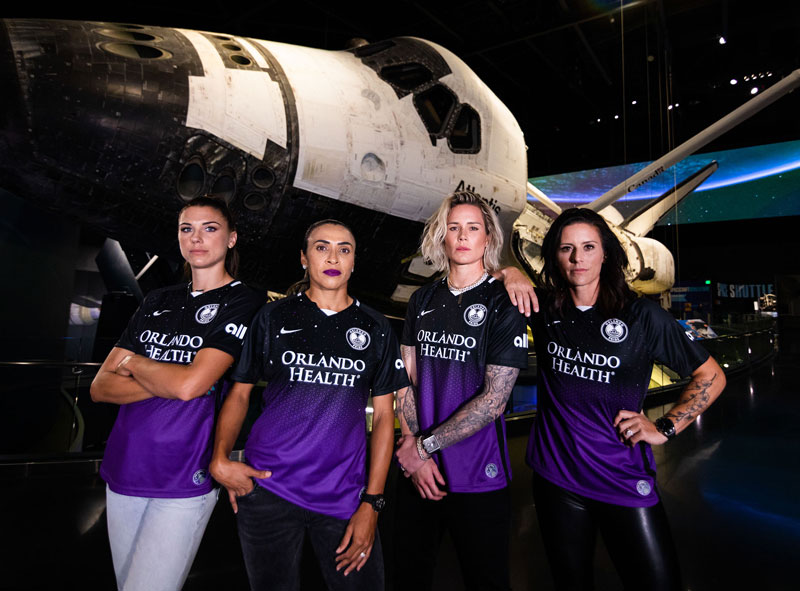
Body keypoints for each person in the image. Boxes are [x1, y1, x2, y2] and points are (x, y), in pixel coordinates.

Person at [525, 207, 726, 591]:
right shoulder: (544, 309)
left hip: (621, 476)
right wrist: (511, 274)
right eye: (566, 248)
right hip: (556, 479)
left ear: (606, 253)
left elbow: (712, 376)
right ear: (554, 256)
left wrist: (665, 427)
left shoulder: (642, 316)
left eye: (588, 247)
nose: (578, 258)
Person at [210, 219, 408, 591]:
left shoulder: (376, 327)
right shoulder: (273, 317)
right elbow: (239, 393)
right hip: (268, 488)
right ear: (304, 258)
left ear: (353, 262)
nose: (333, 258)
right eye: (321, 247)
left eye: (344, 250)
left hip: (344, 497)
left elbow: (385, 417)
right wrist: (220, 458)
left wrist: (372, 503)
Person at [90, 196, 263, 591]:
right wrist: (172, 378)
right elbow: (100, 387)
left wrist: (135, 363)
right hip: (124, 467)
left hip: (184, 475)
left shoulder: (243, 300)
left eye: (210, 228)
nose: (196, 238)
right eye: (187, 229)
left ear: (231, 239)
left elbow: (190, 387)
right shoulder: (158, 300)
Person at [393, 191, 529, 591]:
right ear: (442, 236)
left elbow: (493, 401)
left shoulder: (504, 303)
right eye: (454, 228)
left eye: (473, 228)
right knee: (407, 578)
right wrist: (412, 446)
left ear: (488, 238)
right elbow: (406, 380)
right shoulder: (422, 299)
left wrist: (423, 447)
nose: (463, 236)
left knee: (486, 581)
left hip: (478, 474)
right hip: (419, 471)